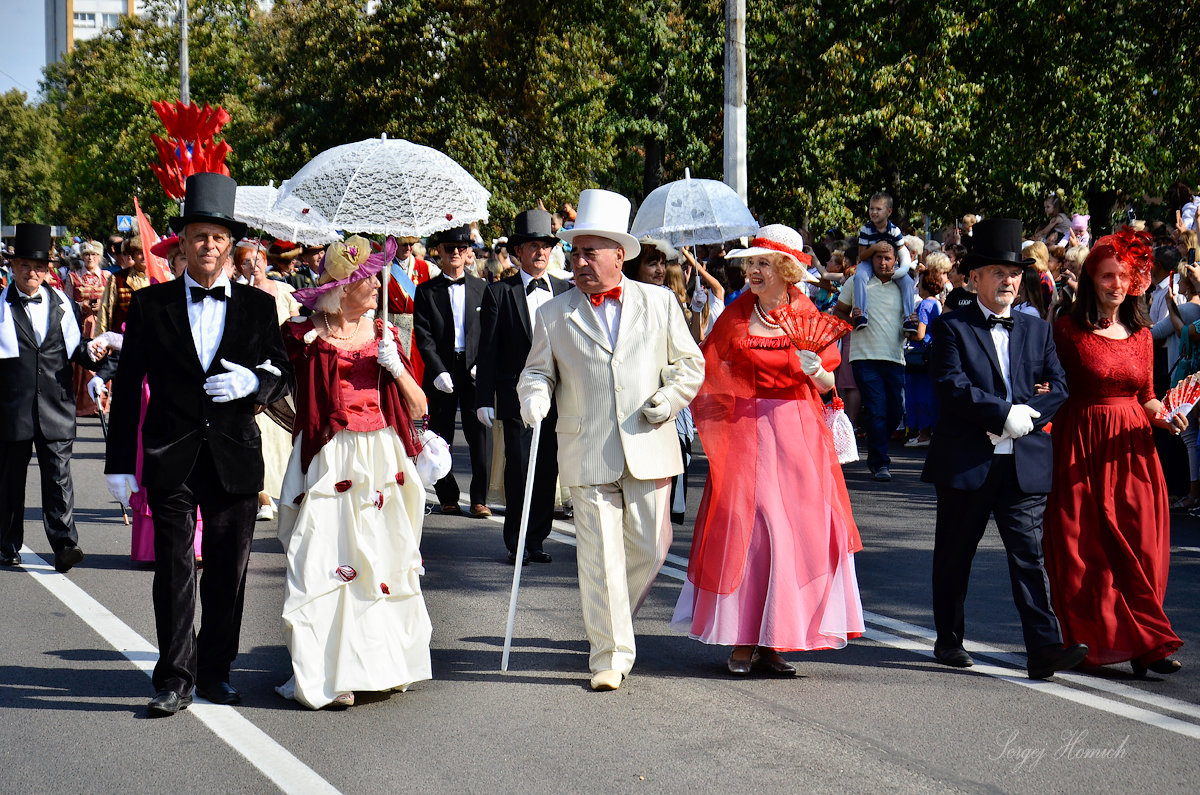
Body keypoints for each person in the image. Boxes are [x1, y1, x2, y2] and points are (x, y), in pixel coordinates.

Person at [103, 173, 293, 717]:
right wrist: (120, 466)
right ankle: (174, 676)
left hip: (234, 455)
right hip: (171, 455)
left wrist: (254, 382)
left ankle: (215, 672)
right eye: (197, 236)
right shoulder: (149, 305)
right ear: (181, 244)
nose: (208, 246)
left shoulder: (258, 307)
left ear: (230, 245)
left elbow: (283, 375)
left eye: (217, 237)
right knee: (174, 569)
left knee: (230, 573)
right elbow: (128, 385)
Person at [518, 188, 704, 691]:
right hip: (586, 447)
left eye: (590, 252)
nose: (578, 262)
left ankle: (609, 615)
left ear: (620, 255)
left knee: (651, 545)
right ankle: (609, 653)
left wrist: (668, 401)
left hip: (648, 441)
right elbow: (537, 373)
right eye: (574, 252)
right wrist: (533, 397)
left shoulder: (660, 302)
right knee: (598, 554)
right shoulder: (553, 314)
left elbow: (690, 366)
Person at [672, 224, 863, 675]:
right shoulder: (736, 314)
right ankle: (743, 636)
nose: (752, 271)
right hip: (744, 433)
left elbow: (829, 384)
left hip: (795, 430)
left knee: (791, 531)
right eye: (750, 263)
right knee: (748, 528)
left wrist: (815, 369)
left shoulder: (808, 314)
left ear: (785, 269)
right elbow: (709, 368)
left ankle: (776, 637)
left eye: (762, 263)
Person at [922, 217, 1087, 680]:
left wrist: (1027, 415)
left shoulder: (1037, 330)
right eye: (998, 272)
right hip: (968, 461)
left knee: (1029, 559)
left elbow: (1058, 386)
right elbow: (952, 387)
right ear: (974, 278)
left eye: (1014, 273)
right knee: (955, 556)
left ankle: (1043, 649)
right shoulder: (953, 328)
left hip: (1024, 463)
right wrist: (1002, 414)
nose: (1009, 280)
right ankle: (949, 639)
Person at [276, 236, 433, 709]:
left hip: (382, 458)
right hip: (332, 457)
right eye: (366, 281)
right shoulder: (303, 335)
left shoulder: (385, 333)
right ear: (342, 289)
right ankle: (329, 673)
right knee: (323, 559)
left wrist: (396, 368)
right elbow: (277, 394)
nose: (375, 286)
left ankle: (381, 666)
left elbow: (420, 405)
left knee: (381, 561)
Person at [1043, 227, 1185, 676]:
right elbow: (1051, 384)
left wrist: (1166, 416)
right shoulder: (1067, 329)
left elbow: (1146, 395)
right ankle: (1091, 639)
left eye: (1123, 277)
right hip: (1079, 444)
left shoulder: (1142, 334)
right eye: (1107, 277)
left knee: (1142, 544)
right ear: (1091, 279)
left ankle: (1147, 641)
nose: (1116, 285)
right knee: (1083, 547)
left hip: (1132, 448)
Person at [0, 223, 103, 572]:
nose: (32, 272)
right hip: (12, 406)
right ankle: (6, 543)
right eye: (26, 265)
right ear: (13, 267)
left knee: (59, 478)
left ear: (48, 271)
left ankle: (64, 545)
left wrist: (99, 355)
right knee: (9, 480)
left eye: (39, 267)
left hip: (55, 405)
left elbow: (78, 351)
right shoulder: (0, 305)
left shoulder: (63, 303)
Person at [475, 209, 571, 564]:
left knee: (548, 470)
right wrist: (484, 398)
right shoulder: (500, 292)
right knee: (518, 471)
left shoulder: (564, 290)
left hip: (559, 399)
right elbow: (487, 350)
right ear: (519, 251)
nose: (541, 252)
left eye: (546, 245)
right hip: (516, 398)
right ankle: (516, 541)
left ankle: (537, 539)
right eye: (533, 246)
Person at [413, 224, 492, 517]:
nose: (456, 253)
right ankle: (447, 495)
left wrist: (482, 363)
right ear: (439, 253)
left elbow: (489, 333)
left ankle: (479, 498)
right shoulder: (426, 291)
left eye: (461, 248)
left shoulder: (483, 289)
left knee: (479, 434)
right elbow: (424, 336)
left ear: (468, 253)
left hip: (473, 368)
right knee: (440, 434)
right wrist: (436, 369)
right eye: (449, 249)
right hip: (442, 368)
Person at [234, 241, 302, 520]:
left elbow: (298, 323)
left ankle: (286, 490)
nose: (254, 266)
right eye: (246, 262)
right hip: (254, 371)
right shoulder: (236, 294)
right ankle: (262, 496)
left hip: (283, 370)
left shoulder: (284, 290)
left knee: (283, 435)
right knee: (258, 433)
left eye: (258, 259)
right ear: (238, 266)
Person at [834, 240, 907, 481]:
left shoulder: (903, 285)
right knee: (877, 409)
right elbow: (839, 311)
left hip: (895, 357)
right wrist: (852, 320)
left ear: (896, 261)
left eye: (888, 258)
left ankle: (876, 447)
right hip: (863, 356)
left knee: (895, 412)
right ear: (870, 260)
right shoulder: (858, 282)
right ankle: (880, 462)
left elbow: (909, 322)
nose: (884, 263)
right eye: (879, 258)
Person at [850, 193, 915, 331]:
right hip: (869, 262)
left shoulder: (894, 230)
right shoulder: (865, 229)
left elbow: (902, 251)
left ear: (888, 211)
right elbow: (862, 255)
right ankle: (861, 313)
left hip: (890, 265)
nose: (873, 212)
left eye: (878, 209)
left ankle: (909, 317)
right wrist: (874, 248)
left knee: (908, 282)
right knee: (860, 276)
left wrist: (900, 269)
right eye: (871, 208)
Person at [64, 240, 111, 416]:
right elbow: (66, 302)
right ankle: (83, 405)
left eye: (94, 255)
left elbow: (111, 301)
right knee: (82, 364)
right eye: (87, 255)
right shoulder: (73, 276)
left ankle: (101, 404)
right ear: (82, 257)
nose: (90, 258)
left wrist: (102, 305)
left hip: (102, 325)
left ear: (99, 257)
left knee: (102, 360)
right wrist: (80, 304)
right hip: (82, 325)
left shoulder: (107, 276)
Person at [96, 235, 149, 334]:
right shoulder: (118, 279)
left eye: (146, 252)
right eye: (140, 253)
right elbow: (105, 311)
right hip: (123, 340)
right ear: (132, 256)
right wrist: (101, 340)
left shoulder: (162, 278)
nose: (144, 256)